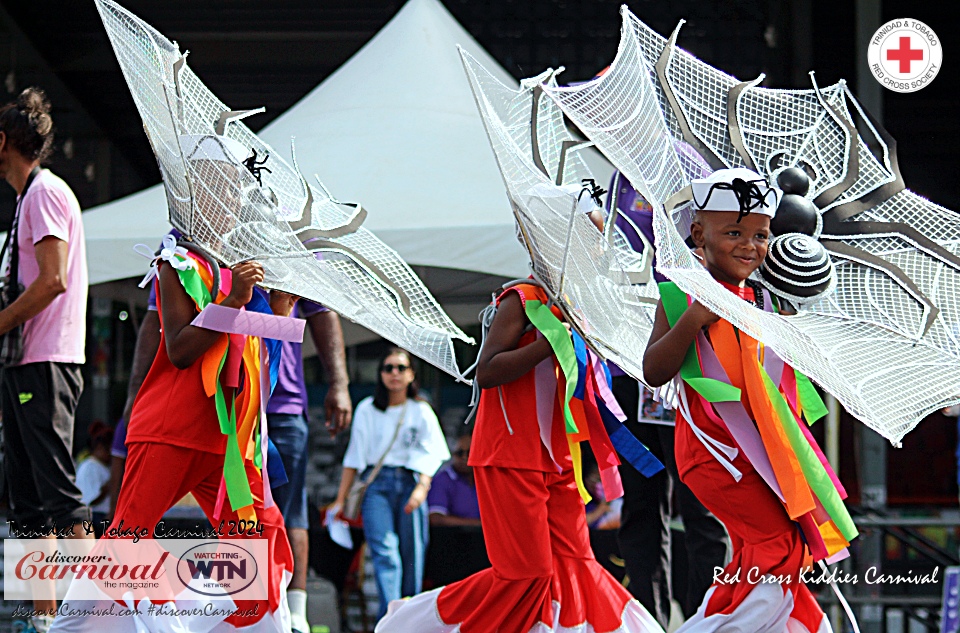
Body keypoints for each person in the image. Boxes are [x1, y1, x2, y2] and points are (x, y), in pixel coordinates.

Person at [373, 271, 664, 632]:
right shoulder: (522, 298)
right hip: (509, 452)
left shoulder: (582, 303)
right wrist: (549, 342)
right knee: (526, 575)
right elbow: (487, 370)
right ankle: (414, 624)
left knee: (575, 563)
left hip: (559, 455)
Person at [643, 168, 855, 633]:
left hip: (768, 453)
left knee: (770, 551)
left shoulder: (765, 298)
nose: (748, 245)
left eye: (760, 234)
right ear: (699, 233)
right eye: (733, 232)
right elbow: (654, 370)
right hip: (716, 453)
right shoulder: (685, 290)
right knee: (778, 548)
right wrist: (691, 321)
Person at [607, 171, 729, 627]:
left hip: (689, 371)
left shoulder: (687, 167)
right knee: (640, 505)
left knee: (702, 502)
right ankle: (650, 620)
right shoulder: (610, 177)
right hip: (626, 366)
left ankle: (711, 616)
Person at [0, 87, 91, 633]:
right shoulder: (29, 197)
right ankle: (41, 619)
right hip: (28, 361)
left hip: (46, 358)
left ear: (4, 141)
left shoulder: (44, 192)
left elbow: (53, 279)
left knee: (58, 494)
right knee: (28, 500)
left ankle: (103, 610)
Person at [333, 348, 449, 620]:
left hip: (411, 483)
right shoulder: (366, 409)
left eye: (400, 368)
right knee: (385, 553)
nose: (394, 373)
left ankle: (411, 617)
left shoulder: (421, 410)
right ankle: (391, 618)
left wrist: (422, 488)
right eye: (388, 368)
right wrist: (340, 499)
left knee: (413, 553)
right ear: (380, 374)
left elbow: (432, 452)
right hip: (377, 484)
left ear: (411, 374)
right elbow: (355, 457)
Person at [265, 294, 351, 633]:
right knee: (236, 508)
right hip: (228, 402)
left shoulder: (298, 243)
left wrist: (340, 383)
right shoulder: (199, 247)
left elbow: (322, 312)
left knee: (292, 509)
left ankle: (295, 610)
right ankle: (245, 603)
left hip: (282, 406)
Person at [427, 433, 480, 527]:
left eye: (470, 453)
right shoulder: (442, 479)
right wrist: (479, 525)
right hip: (454, 537)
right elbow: (436, 518)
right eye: (460, 453)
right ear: (453, 454)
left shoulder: (486, 481)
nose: (465, 457)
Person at [75, 421, 114, 534]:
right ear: (100, 447)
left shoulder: (106, 466)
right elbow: (89, 500)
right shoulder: (89, 466)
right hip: (96, 517)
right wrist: (108, 487)